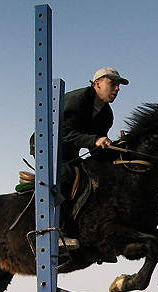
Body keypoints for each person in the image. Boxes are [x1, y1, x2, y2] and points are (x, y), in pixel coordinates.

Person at [29, 67, 129, 250]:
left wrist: (117, 152)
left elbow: (96, 150)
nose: (117, 89)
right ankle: (56, 231)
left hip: (69, 152)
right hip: (47, 146)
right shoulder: (78, 100)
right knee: (66, 175)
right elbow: (61, 134)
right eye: (112, 84)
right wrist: (94, 140)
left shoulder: (106, 114)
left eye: (118, 85)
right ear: (97, 84)